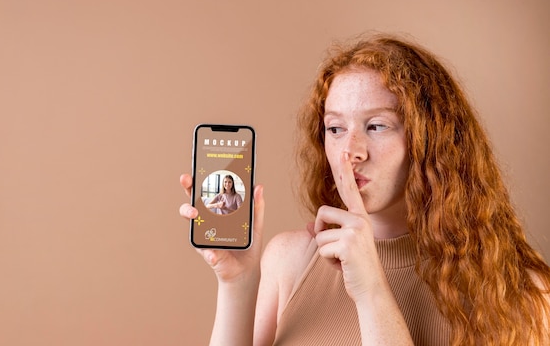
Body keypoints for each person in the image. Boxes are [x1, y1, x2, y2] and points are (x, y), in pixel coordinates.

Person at [178, 33, 550, 345]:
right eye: (336, 128)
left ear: (431, 140)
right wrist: (237, 283)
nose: (349, 151)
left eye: (376, 126)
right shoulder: (291, 260)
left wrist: (371, 287)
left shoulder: (520, 291)